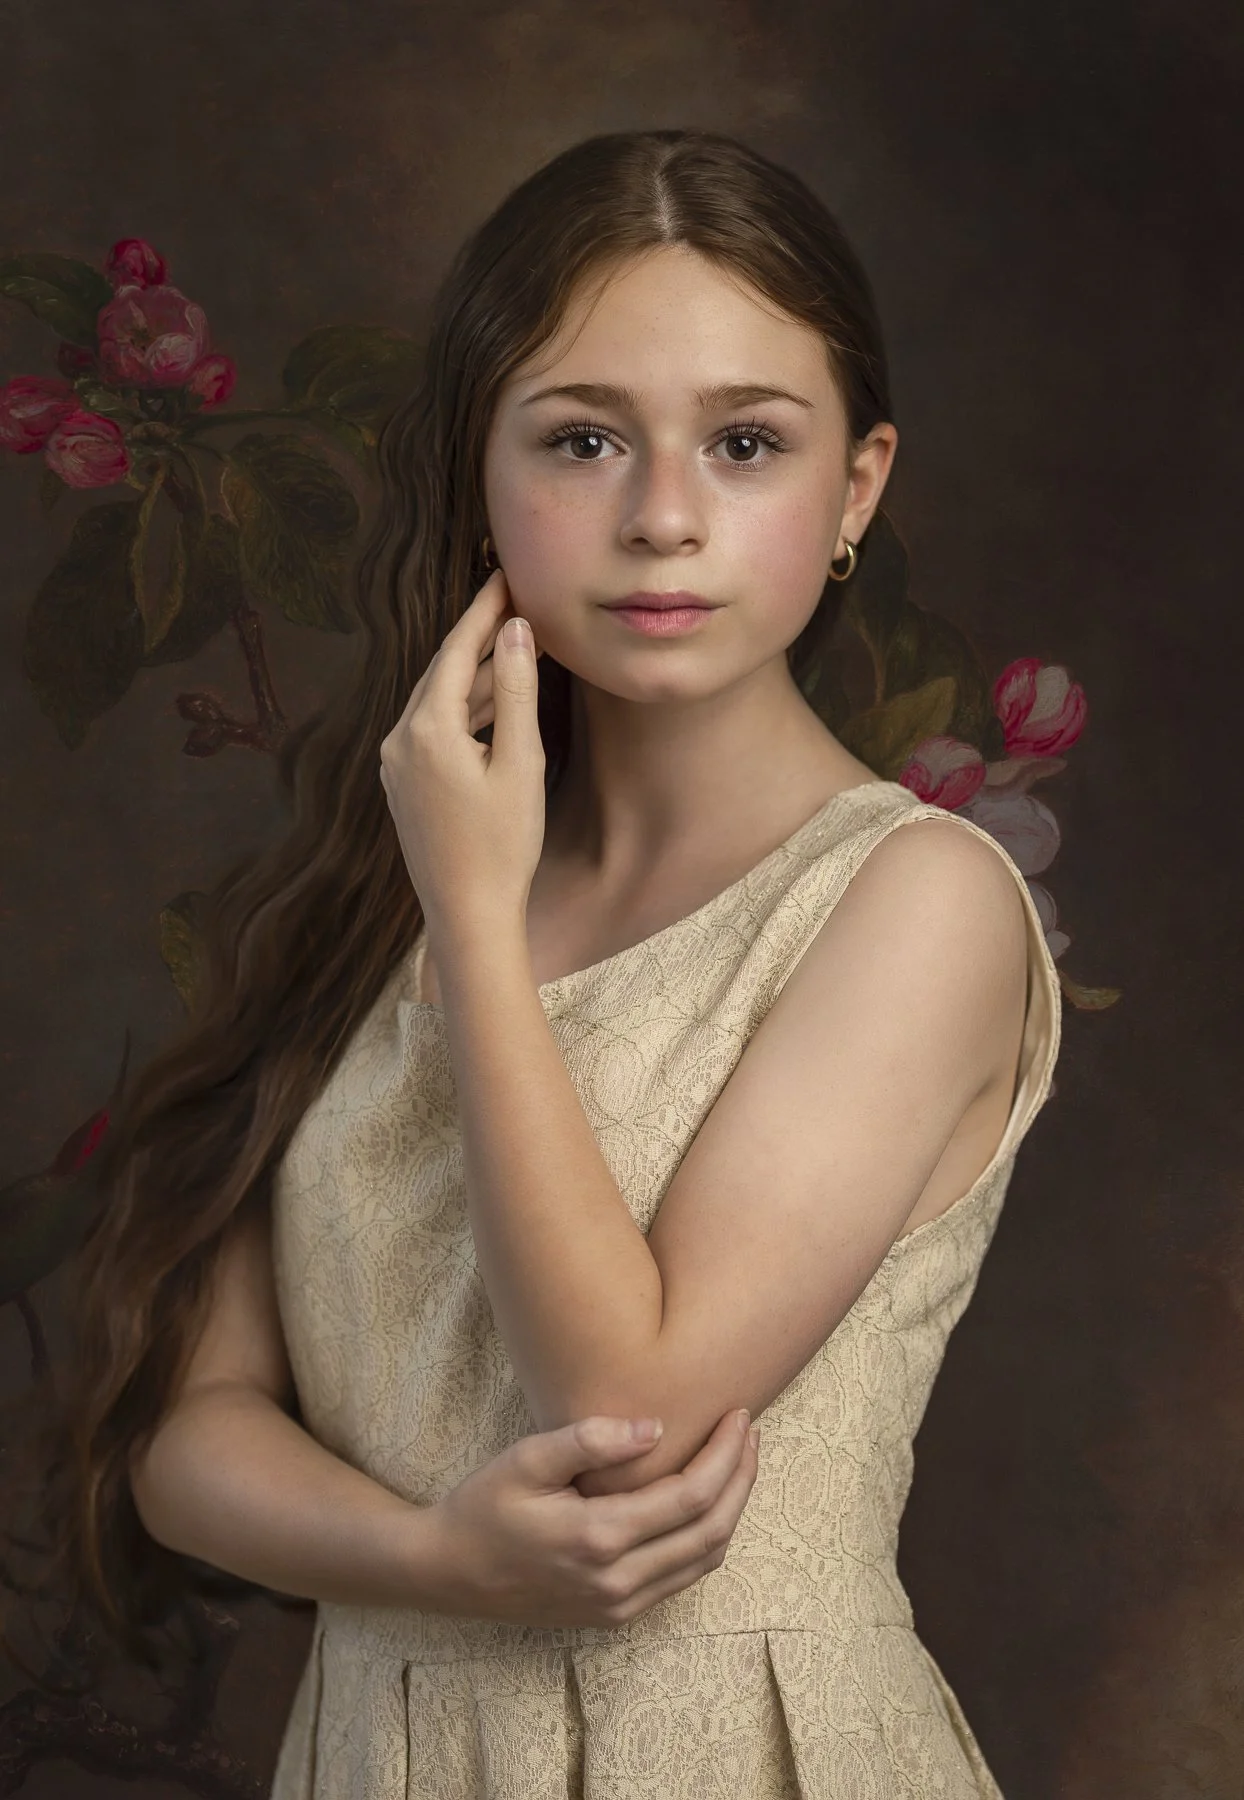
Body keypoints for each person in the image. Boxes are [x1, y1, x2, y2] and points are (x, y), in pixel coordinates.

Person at [25, 129, 1061, 1796]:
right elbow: (188, 1435)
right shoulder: (380, 887)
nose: (663, 518)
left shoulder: (912, 901)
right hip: (380, 1747)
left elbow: (625, 1400)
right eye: (584, 439)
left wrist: (479, 929)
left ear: (856, 487)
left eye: (744, 444)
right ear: (479, 470)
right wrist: (441, 1565)